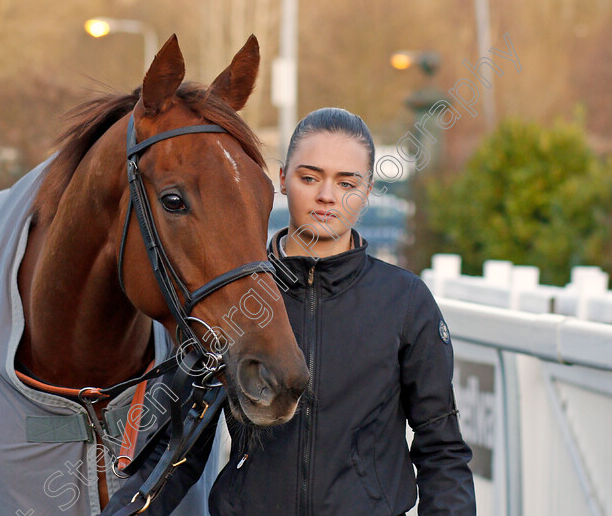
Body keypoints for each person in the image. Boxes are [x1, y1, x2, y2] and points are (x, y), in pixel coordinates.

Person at [104, 107, 476, 515]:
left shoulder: (406, 301)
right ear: (282, 179)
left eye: (346, 182)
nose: (327, 196)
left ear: (368, 189)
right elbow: (177, 455)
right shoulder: (234, 299)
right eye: (309, 177)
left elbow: (441, 451)